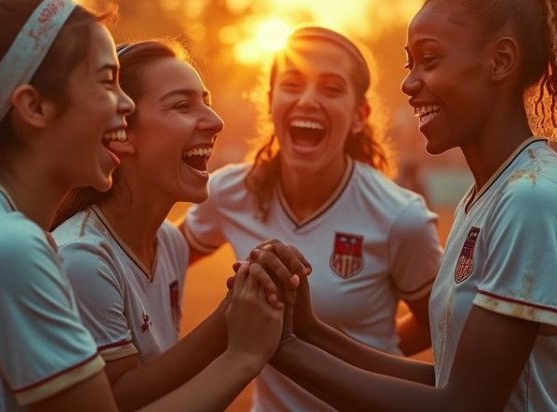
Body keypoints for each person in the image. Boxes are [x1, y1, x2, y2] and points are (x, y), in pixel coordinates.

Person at [255, 0, 557, 411]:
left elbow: (463, 405)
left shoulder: (535, 199)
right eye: (410, 65)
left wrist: (278, 351)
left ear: (500, 61)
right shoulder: (488, 196)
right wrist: (307, 332)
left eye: (430, 60)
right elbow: (445, 383)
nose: (408, 83)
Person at [0, 0, 283, 411]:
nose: (125, 105)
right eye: (106, 81)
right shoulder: (8, 248)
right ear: (35, 107)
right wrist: (242, 356)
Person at [180, 26, 444, 411]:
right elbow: (161, 255)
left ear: (359, 116)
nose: (307, 100)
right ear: (270, 103)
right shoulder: (229, 192)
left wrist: (363, 355)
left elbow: (438, 324)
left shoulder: (400, 217)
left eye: (331, 88)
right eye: (292, 84)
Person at [52, 40, 290, 411]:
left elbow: (153, 386)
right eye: (182, 105)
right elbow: (120, 401)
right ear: (121, 133)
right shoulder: (82, 259)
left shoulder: (170, 243)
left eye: (207, 103)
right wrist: (232, 327)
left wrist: (251, 289)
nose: (216, 122)